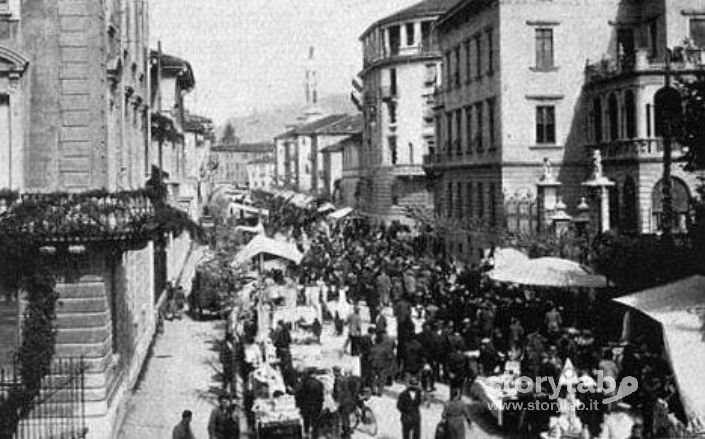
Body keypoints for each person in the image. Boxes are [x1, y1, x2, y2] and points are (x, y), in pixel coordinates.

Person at [296, 368, 324, 439]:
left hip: (306, 406)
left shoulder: (304, 383)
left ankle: (307, 435)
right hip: (316, 406)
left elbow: (299, 395)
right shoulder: (319, 383)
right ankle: (315, 436)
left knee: (306, 422)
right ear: (314, 374)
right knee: (315, 423)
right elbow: (321, 397)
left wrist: (299, 405)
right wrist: (320, 406)